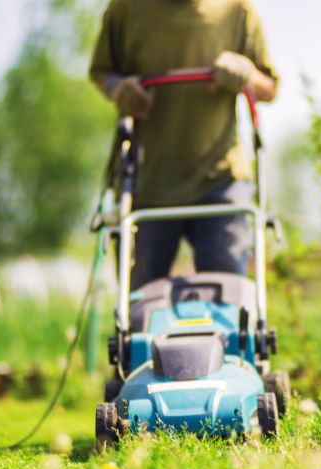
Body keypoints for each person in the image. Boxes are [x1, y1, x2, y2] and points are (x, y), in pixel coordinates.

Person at [89, 0, 278, 290]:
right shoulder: (125, 9)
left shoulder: (237, 8)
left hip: (220, 181)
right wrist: (118, 88)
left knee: (229, 301)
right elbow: (101, 72)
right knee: (139, 307)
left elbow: (269, 87)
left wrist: (246, 74)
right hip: (146, 184)